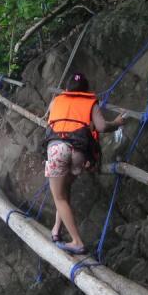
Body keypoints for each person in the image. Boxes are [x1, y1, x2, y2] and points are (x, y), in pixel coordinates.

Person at [44, 72, 125, 254]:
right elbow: (102, 127)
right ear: (86, 89)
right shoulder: (90, 102)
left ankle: (77, 242)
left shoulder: (57, 100)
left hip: (58, 149)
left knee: (59, 197)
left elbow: (49, 120)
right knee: (65, 191)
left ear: (67, 88)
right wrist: (117, 122)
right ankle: (56, 230)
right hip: (79, 153)